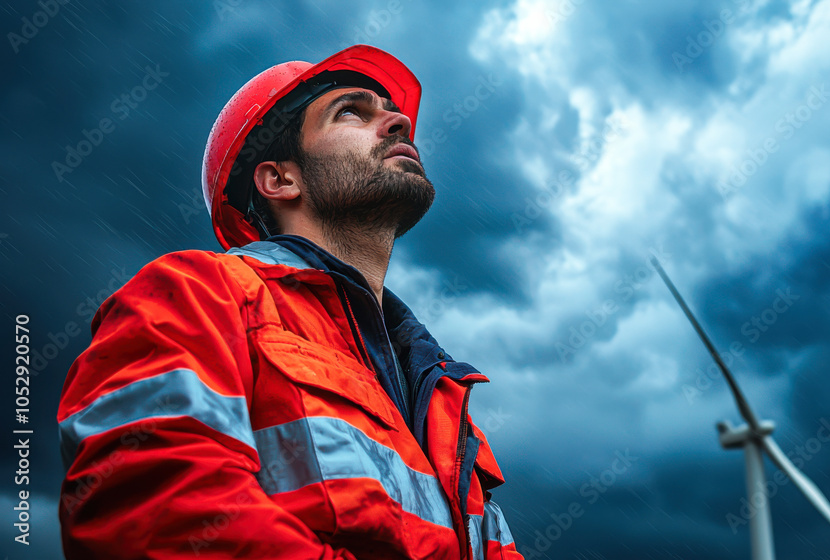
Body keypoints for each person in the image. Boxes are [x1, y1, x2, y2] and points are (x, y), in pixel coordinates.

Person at [57, 45, 523, 560]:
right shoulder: (199, 293)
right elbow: (154, 513)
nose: (397, 122)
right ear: (281, 179)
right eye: (352, 111)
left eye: (392, 111)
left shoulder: (443, 396)